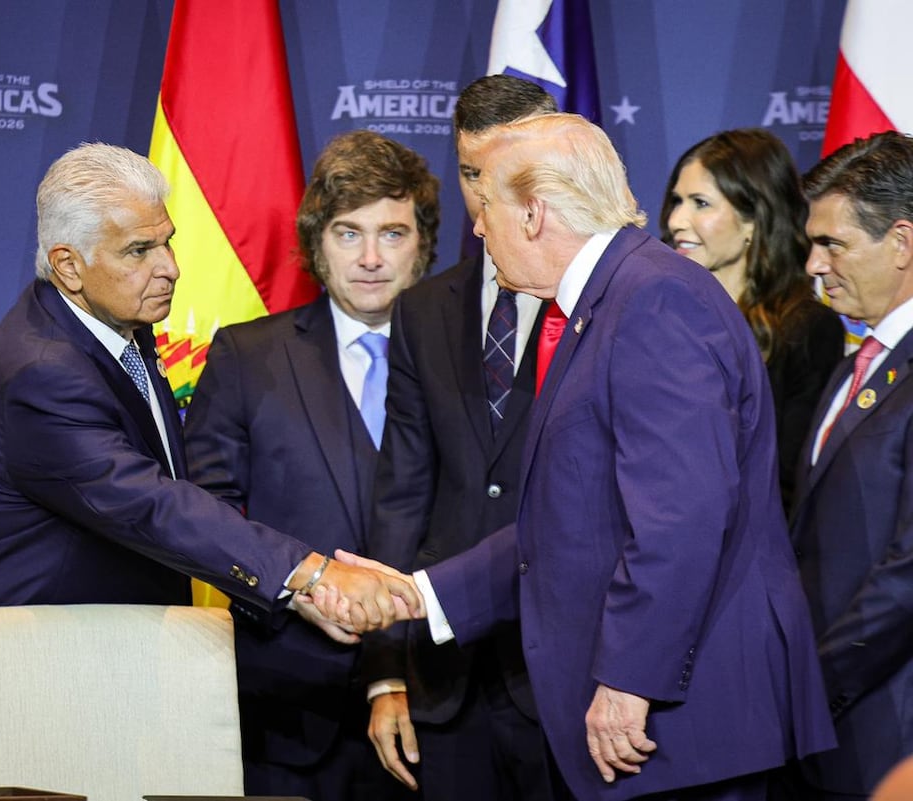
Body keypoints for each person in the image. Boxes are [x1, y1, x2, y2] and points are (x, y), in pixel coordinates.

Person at [323, 113, 836, 800]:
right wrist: (419, 594)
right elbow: (569, 522)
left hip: (681, 721)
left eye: (487, 209)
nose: (478, 230)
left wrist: (630, 679)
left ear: (534, 213)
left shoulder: (654, 300)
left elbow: (681, 518)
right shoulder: (606, 302)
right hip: (657, 724)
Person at [0, 142, 423, 786]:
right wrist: (310, 573)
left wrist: (296, 589)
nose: (169, 267)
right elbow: (149, 503)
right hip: (3, 682)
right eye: (138, 251)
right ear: (69, 265)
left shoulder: (113, 329)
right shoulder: (43, 369)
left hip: (79, 668)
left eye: (166, 242)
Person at [184, 129, 436, 801]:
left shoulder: (469, 366)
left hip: (439, 706)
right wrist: (296, 590)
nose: (371, 259)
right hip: (287, 712)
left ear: (423, 244)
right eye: (349, 234)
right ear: (316, 244)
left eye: (393, 234)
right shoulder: (247, 357)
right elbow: (205, 517)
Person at [362, 74, 557, 800]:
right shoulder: (422, 310)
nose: (485, 195)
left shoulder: (606, 303)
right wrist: (385, 671)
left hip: (561, 675)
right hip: (443, 681)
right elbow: (402, 493)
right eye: (472, 173)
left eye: (506, 170)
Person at [788, 131, 913, 799]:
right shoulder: (850, 368)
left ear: (902, 242)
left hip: (891, 734)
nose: (813, 264)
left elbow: (909, 572)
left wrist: (814, 681)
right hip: (828, 732)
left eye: (832, 244)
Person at [661, 128, 844, 512]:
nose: (677, 220)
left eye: (701, 203)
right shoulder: (658, 319)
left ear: (754, 220)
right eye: (677, 201)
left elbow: (790, 478)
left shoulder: (806, 330)